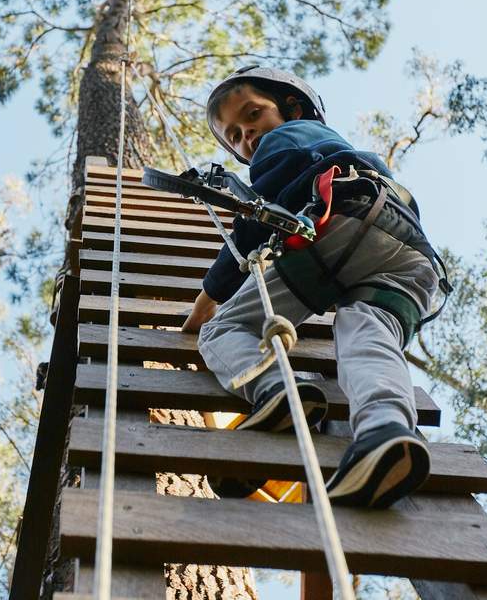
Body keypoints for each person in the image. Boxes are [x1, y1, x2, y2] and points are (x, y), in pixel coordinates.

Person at [181, 65, 442, 509]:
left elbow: (257, 221)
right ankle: (385, 429)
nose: (248, 137)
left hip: (338, 228)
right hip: (411, 257)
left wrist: (207, 300)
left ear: (292, 108)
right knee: (368, 335)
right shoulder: (351, 153)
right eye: (235, 137)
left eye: (252, 116)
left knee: (221, 331)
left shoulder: (291, 138)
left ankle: (279, 388)